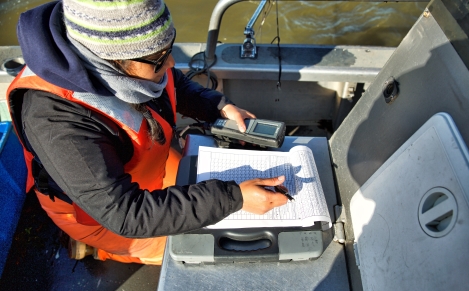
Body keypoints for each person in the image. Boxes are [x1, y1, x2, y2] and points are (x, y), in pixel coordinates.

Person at [7, 0, 288, 265]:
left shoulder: (139, 63)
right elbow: (126, 214)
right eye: (159, 58)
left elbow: (172, 81)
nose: (172, 64)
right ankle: (98, 248)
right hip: (105, 214)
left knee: (209, 200)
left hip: (147, 169)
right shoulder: (54, 120)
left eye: (170, 49)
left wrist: (218, 106)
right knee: (198, 245)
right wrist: (233, 198)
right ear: (111, 61)